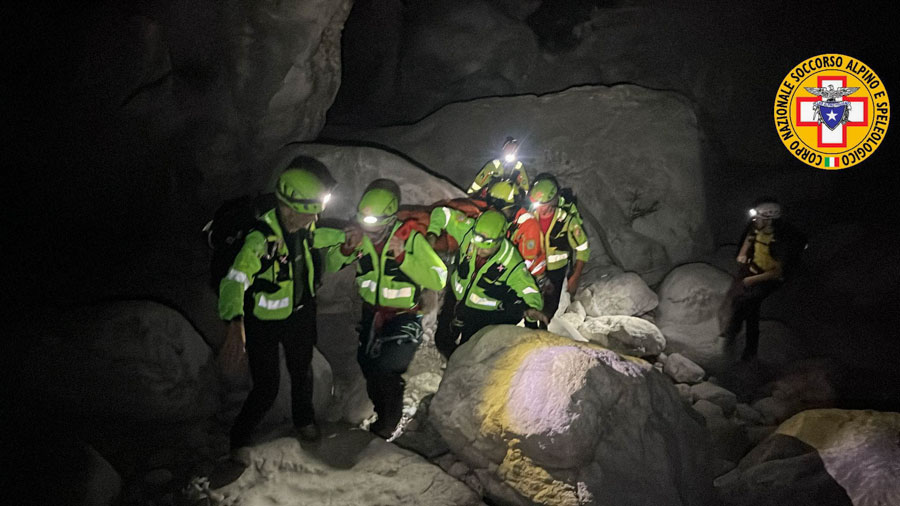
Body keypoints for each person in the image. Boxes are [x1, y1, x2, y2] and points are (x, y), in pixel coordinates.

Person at [218, 159, 346, 452]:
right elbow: (235, 280)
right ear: (288, 209)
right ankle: (240, 436)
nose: (314, 219)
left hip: (299, 315)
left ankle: (303, 421)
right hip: (262, 322)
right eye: (309, 213)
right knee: (267, 386)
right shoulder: (260, 239)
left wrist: (344, 238)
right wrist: (235, 323)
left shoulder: (303, 228)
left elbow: (318, 238)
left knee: (302, 372)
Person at [327, 179, 448, 438]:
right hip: (372, 314)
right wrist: (346, 248)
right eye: (364, 222)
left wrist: (405, 257)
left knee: (387, 369)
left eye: (374, 225)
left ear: (390, 219)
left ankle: (387, 424)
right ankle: (380, 410)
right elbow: (331, 263)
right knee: (368, 365)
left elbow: (438, 277)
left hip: (405, 317)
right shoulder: (360, 238)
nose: (368, 230)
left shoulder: (410, 240)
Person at [429, 209, 547, 353]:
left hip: (479, 313)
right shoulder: (468, 231)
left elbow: (530, 291)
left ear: (499, 241)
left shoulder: (511, 262)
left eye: (485, 248)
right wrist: (432, 232)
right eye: (476, 243)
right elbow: (442, 213)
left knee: (468, 350)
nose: (478, 250)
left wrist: (532, 312)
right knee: (441, 339)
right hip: (455, 297)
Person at [722, 198, 803, 361]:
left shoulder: (780, 240)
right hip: (755, 269)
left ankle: (747, 348)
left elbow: (776, 272)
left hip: (772, 278)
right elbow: (749, 238)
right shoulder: (756, 227)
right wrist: (742, 253)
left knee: (749, 304)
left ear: (768, 220)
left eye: (758, 217)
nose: (755, 220)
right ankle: (734, 333)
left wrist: (751, 281)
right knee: (741, 301)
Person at [528, 173, 590, 319]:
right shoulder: (530, 218)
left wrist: (575, 275)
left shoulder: (567, 221)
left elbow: (582, 248)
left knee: (549, 307)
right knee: (530, 303)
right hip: (535, 269)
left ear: (552, 201)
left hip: (556, 271)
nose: (538, 207)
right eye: (536, 203)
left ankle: (544, 332)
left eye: (541, 204)